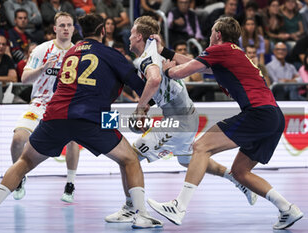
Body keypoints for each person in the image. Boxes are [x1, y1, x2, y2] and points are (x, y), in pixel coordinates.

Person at [0, 13, 163, 229]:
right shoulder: (110, 54)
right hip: (92, 117)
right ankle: (140, 214)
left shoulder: (69, 53)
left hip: (56, 114)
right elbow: (143, 87)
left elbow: (55, 89)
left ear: (80, 32)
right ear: (102, 32)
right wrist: (145, 101)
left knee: (24, 161)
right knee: (130, 159)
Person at [146, 17, 303, 230]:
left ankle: (178, 206)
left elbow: (181, 71)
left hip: (257, 114)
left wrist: (166, 69)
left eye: (211, 32)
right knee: (240, 172)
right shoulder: (233, 53)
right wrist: (164, 50)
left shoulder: (220, 50)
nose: (210, 36)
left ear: (217, 34)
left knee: (201, 147)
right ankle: (287, 208)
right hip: (273, 117)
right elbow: (195, 64)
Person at [105, 15, 257, 224]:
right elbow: (160, 83)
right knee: (187, 159)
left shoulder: (146, 58)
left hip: (179, 120)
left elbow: (155, 79)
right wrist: (146, 107)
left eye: (131, 33)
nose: (129, 37)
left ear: (139, 36)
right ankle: (236, 179)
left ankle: (133, 209)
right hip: (184, 115)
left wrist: (139, 110)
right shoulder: (152, 52)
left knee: (129, 157)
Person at [11, 12, 79, 203]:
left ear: (73, 29)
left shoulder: (80, 53)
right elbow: (24, 79)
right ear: (55, 29)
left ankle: (70, 184)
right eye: (62, 25)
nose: (66, 28)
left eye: (69, 25)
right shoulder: (42, 50)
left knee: (73, 139)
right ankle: (18, 177)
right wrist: (43, 68)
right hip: (41, 103)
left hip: (66, 104)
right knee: (18, 139)